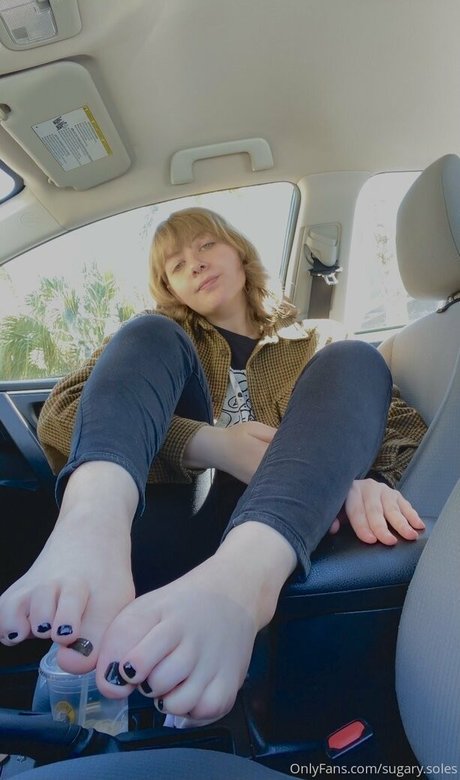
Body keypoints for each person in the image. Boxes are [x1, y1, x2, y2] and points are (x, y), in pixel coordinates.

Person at [0, 208, 426, 727]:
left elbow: (398, 428)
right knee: (149, 333)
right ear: (171, 288)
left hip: (276, 534)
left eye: (205, 246)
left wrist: (361, 478)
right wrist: (208, 443)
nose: (196, 265)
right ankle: (89, 527)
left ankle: (238, 590)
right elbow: (61, 414)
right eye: (177, 265)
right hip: (175, 524)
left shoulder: (316, 339)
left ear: (239, 253)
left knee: (355, 358)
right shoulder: (165, 337)